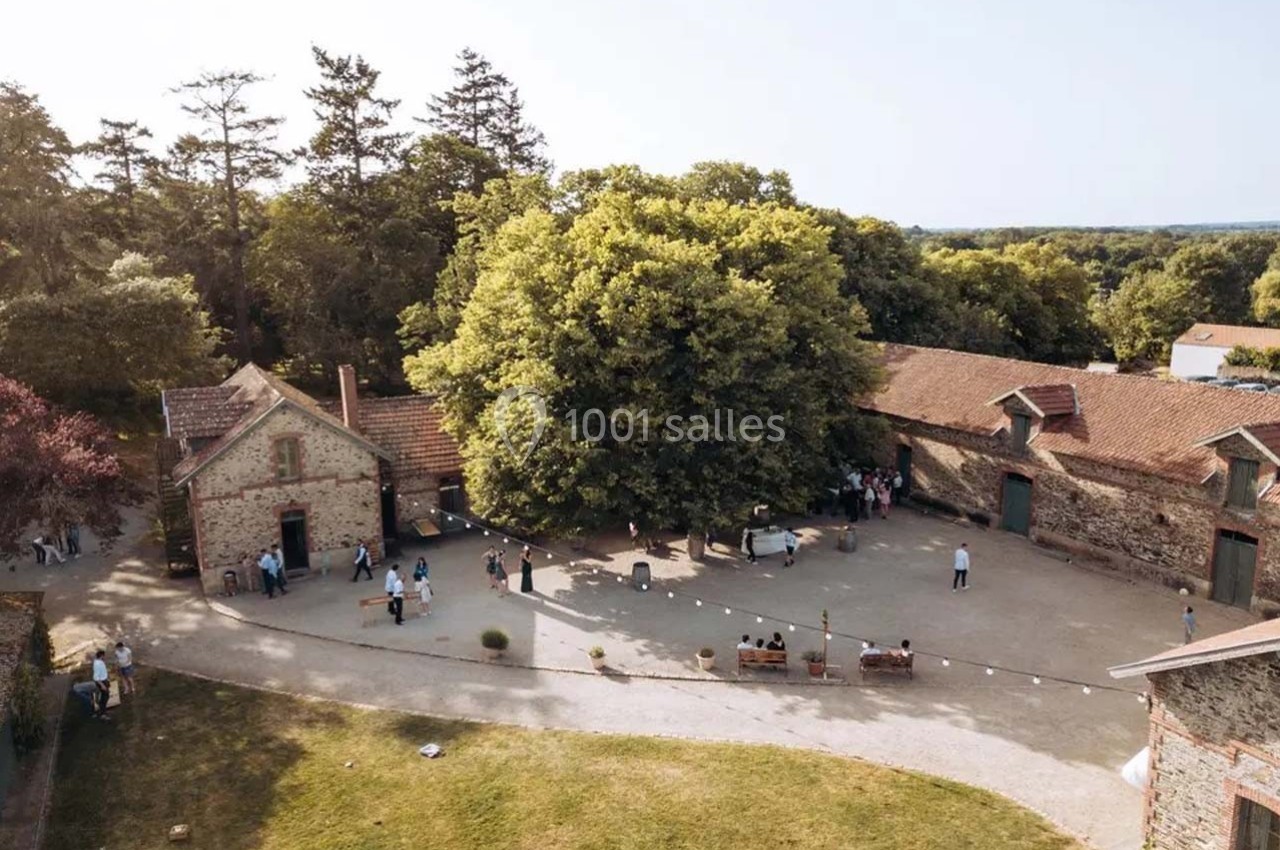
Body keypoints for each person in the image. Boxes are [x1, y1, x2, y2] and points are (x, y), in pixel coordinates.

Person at [92, 649, 111, 720]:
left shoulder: (99, 662)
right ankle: (103, 713)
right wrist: (102, 685)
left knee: (105, 696)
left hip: (104, 680)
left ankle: (103, 711)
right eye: (104, 656)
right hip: (102, 682)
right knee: (105, 697)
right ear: (102, 656)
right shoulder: (97, 664)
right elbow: (96, 677)